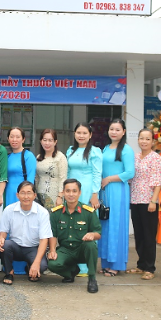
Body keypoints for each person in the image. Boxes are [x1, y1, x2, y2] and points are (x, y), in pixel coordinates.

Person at [48, 179, 101, 293]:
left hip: (82, 250)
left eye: (74, 191)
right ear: (63, 192)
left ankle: (92, 279)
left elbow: (98, 233)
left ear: (79, 193)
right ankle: (71, 272)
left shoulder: (88, 212)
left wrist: (92, 235)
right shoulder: (56, 213)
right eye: (68, 191)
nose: (71, 194)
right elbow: (53, 235)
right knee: (52, 263)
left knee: (91, 245)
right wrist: (52, 250)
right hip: (65, 250)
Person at [98, 119, 135, 277]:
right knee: (105, 225)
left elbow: (130, 173)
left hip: (118, 190)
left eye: (117, 129)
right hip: (104, 191)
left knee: (116, 226)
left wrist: (109, 179)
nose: (114, 132)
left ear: (124, 132)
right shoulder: (106, 148)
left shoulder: (126, 149)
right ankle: (106, 263)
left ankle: (116, 265)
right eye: (112, 129)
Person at [0, 181, 53, 285]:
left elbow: (44, 239)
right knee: (4, 244)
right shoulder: (9, 210)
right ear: (17, 195)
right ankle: (9, 272)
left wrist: (36, 263)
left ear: (34, 195)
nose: (26, 196)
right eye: (22, 193)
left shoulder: (42, 212)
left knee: (42, 266)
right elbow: (3, 230)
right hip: (15, 246)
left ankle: (30, 267)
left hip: (33, 248)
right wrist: (1, 238)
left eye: (29, 193)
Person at [66, 123, 102, 276]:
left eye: (84, 133)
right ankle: (73, 264)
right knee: (72, 227)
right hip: (71, 192)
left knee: (87, 227)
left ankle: (87, 267)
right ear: (74, 134)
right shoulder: (70, 150)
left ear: (90, 135)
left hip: (87, 191)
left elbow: (97, 173)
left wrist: (95, 194)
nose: (81, 136)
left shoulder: (95, 151)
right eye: (78, 132)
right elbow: (67, 172)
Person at [127, 128, 161, 280]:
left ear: (153, 141)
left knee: (149, 236)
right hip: (135, 200)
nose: (144, 141)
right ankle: (141, 265)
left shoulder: (155, 158)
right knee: (139, 235)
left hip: (148, 201)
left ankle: (150, 268)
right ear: (138, 140)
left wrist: (153, 201)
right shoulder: (135, 157)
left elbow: (158, 182)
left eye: (147, 139)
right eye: (141, 138)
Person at [35, 129, 68, 210]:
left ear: (55, 142)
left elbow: (63, 178)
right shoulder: (38, 157)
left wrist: (60, 196)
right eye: (44, 140)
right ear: (40, 141)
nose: (47, 143)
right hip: (40, 195)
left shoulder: (60, 157)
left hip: (55, 195)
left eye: (50, 140)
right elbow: (37, 178)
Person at [4, 127, 37, 209]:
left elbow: (30, 179)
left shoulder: (28, 156)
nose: (14, 139)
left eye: (18, 137)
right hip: (8, 193)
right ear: (8, 139)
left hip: (22, 195)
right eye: (12, 137)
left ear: (23, 139)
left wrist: (26, 195)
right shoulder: (8, 157)